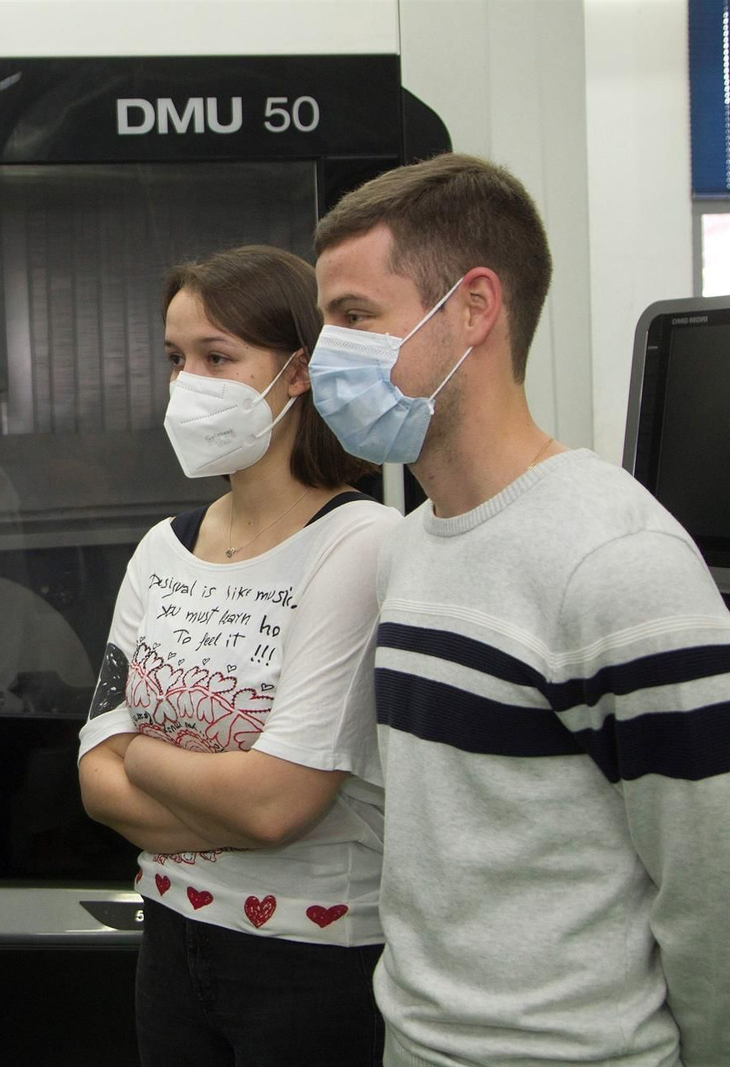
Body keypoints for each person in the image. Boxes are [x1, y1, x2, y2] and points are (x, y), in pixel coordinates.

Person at [311, 152, 730, 1066]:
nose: (323, 356)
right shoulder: (411, 545)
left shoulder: (619, 565)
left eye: (354, 317)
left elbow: (714, 892)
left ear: (472, 308)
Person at [78, 245, 400, 1066]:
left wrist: (144, 755)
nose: (189, 383)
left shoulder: (360, 542)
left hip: (314, 963)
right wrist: (235, 788)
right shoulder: (163, 547)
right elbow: (94, 781)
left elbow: (278, 804)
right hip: (172, 940)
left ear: (298, 371)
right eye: (176, 358)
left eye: (218, 357)